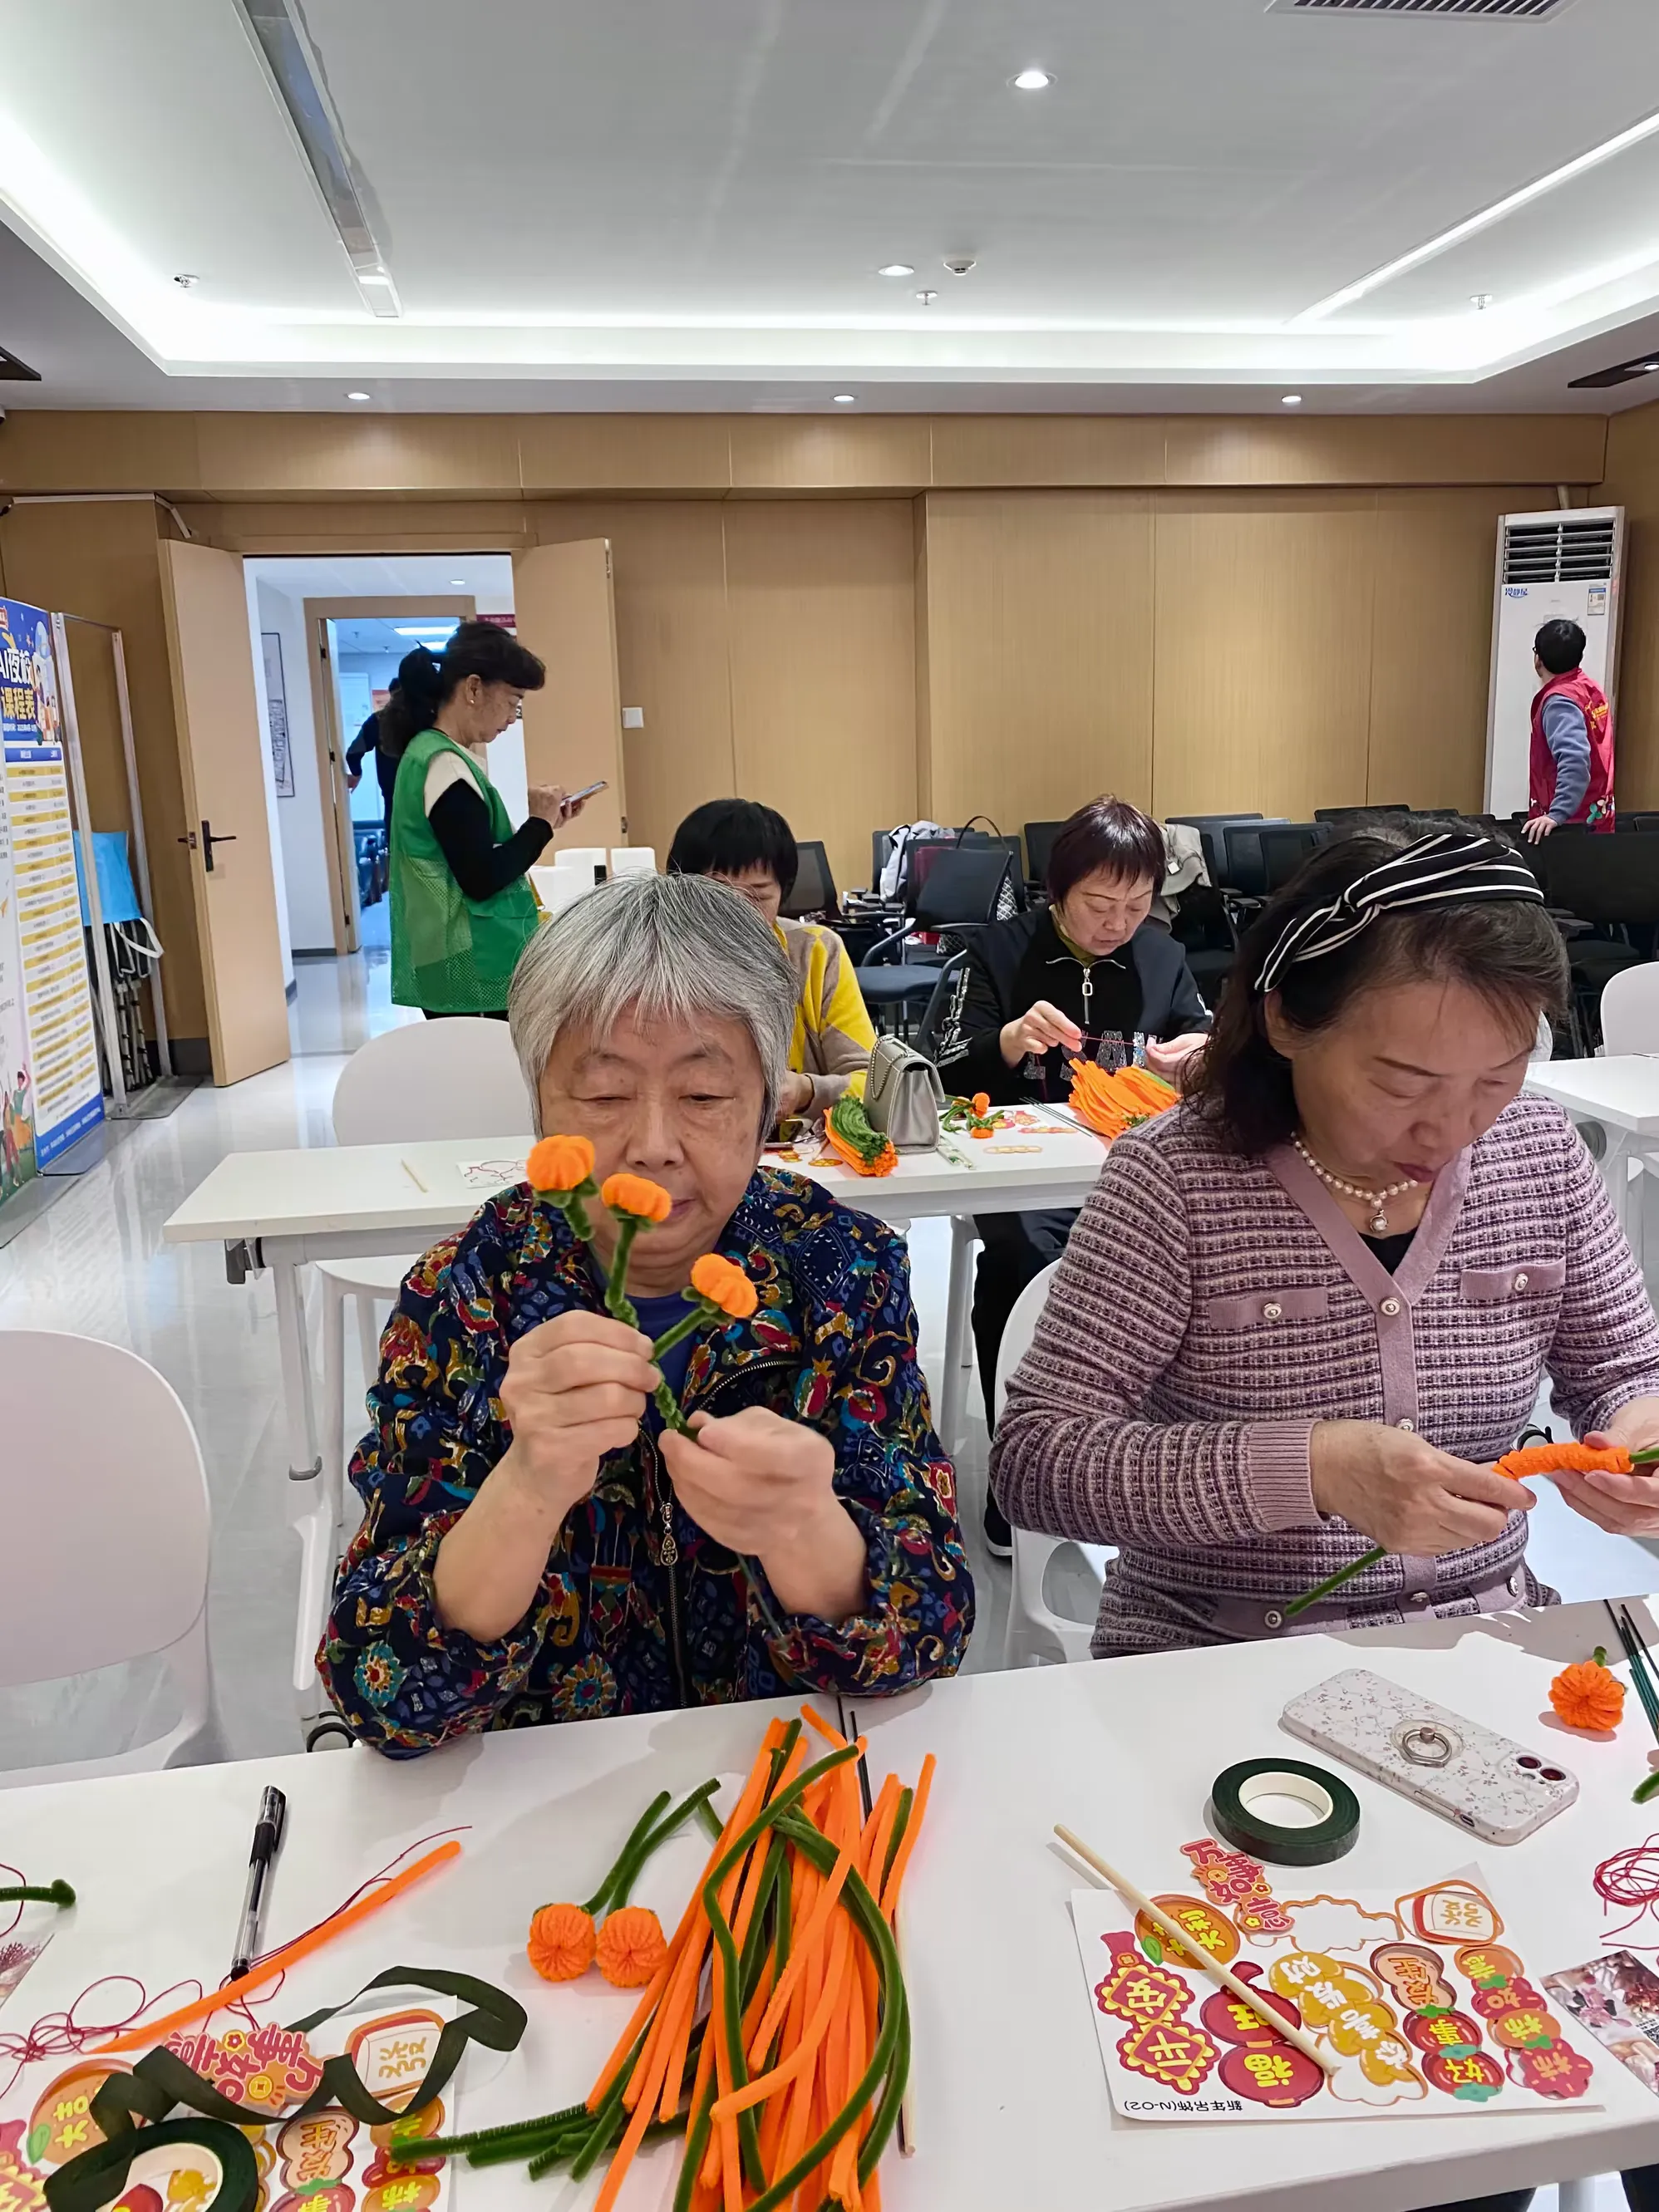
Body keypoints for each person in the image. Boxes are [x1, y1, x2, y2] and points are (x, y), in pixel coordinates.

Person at [318, 871, 973, 1753]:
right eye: (603, 1096)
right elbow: (382, 1691)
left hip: (775, 1779)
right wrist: (527, 1485)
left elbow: (929, 1631)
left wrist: (804, 1529)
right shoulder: (466, 1291)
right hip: (539, 1789)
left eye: (703, 1097)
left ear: (766, 1106)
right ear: (541, 1108)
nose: (654, 1146)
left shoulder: (840, 1268)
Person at [991, 827, 1659, 1672]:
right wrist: (1312, 1469)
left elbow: (1624, 1372)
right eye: (1401, 1084)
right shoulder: (1176, 1180)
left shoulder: (1538, 1153)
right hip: (1213, 1651)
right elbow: (1038, 1460)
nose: (1452, 1129)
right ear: (1286, 1021)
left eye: (1498, 1078)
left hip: (1482, 1637)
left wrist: (1638, 1435)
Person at [933, 795, 1211, 1555]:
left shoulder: (1162, 958)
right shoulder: (998, 952)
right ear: (1059, 891)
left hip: (1132, 1166)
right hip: (1017, 1168)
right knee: (1025, 1260)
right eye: (1099, 904)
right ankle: (1016, 1470)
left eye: (1137, 905)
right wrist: (1009, 1041)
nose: (1118, 923)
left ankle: (1133, 1470)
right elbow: (944, 1072)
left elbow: (1207, 1044)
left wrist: (1196, 1056)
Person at [380, 623, 585, 1019]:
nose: (512, 718)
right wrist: (539, 826)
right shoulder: (445, 764)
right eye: (513, 701)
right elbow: (482, 877)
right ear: (474, 689)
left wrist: (542, 823)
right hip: (469, 962)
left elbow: (468, 853)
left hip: (447, 952)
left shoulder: (427, 753)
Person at [667, 798, 875, 1120]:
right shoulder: (653, 960)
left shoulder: (814, 954)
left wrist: (806, 1091)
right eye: (717, 895)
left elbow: (875, 1084)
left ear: (782, 894)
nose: (736, 914)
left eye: (757, 897)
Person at [1523, 617, 1615, 843]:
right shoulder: (1588, 688)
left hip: (1569, 832)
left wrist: (1557, 813)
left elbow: (1575, 760)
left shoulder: (1560, 703)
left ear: (1538, 660)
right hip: (1596, 822)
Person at [345, 676, 400, 829]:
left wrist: (356, 774)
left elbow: (353, 753)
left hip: (393, 796)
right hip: (423, 794)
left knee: (395, 836)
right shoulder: (425, 719)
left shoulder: (379, 720)